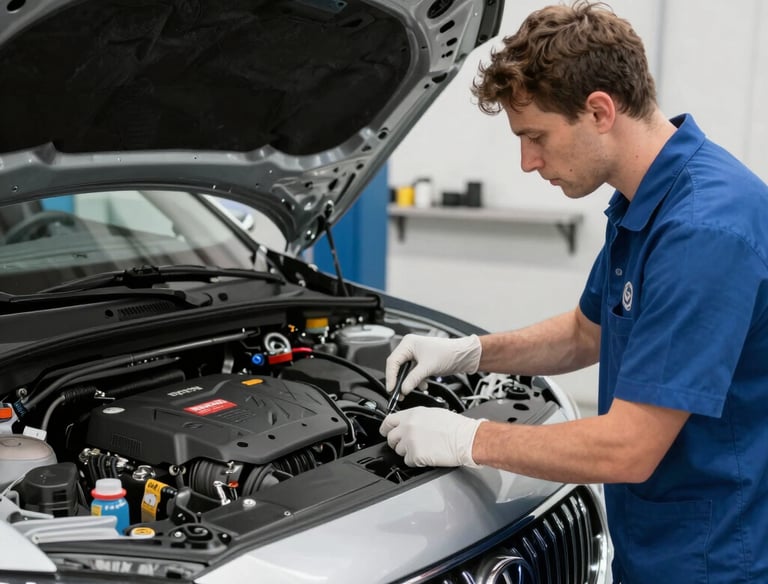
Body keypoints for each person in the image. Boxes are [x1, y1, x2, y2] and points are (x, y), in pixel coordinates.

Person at [378, 2, 768, 582]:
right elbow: (588, 330)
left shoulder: (701, 230)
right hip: (660, 540)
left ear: (600, 110)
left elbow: (628, 448)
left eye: (536, 136)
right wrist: (470, 351)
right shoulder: (645, 199)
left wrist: (470, 439)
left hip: (712, 560)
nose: (527, 161)